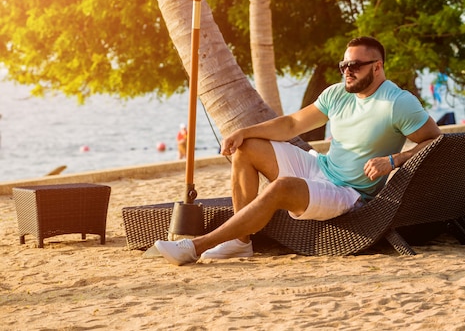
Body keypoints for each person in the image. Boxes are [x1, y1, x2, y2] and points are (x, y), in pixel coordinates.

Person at [155, 36, 442, 265]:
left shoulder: (397, 103)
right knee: (247, 149)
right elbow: (292, 124)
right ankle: (240, 243)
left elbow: (435, 140)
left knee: (281, 188)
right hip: (322, 168)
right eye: (344, 65)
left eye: (355, 66)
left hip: (349, 193)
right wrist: (245, 132)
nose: (347, 72)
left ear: (377, 67)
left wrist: (394, 160)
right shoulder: (337, 93)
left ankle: (196, 246)